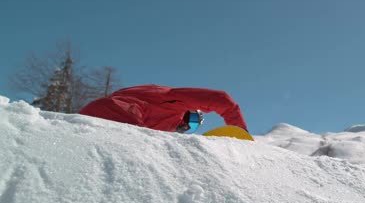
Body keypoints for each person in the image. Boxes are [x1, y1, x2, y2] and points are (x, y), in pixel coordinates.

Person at [78, 84, 248, 134]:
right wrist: (240, 134)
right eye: (193, 120)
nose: (187, 126)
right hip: (121, 116)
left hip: (85, 118)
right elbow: (221, 99)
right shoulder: (171, 98)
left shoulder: (157, 127)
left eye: (194, 127)